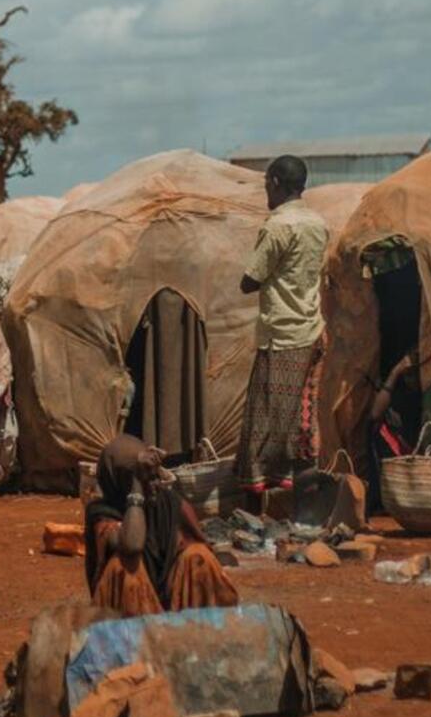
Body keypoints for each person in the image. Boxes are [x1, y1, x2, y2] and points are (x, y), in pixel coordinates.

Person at [236, 155, 331, 505]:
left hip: (283, 336)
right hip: (312, 328)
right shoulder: (318, 224)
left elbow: (251, 280)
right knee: (303, 421)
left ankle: (254, 509)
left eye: (266, 186)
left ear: (275, 182)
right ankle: (304, 509)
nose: (266, 194)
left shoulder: (278, 226)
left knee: (262, 422)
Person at [83, 434, 238, 616]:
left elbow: (196, 545)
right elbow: (132, 546)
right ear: (121, 481)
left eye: (154, 475)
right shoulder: (102, 512)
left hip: (171, 599)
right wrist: (137, 488)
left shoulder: (168, 503)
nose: (155, 482)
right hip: (131, 616)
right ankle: (139, 639)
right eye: (147, 478)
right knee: (124, 568)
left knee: (198, 556)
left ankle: (206, 632)